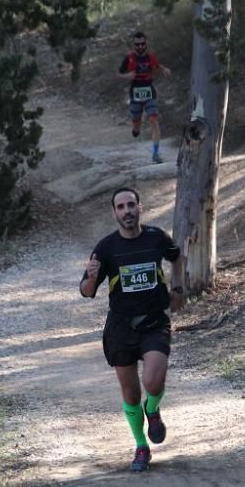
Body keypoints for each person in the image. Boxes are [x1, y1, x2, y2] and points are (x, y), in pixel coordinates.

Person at [80, 187, 185, 472]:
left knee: (153, 383)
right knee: (130, 394)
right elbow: (87, 292)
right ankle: (141, 446)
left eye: (131, 205)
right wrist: (90, 277)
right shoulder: (105, 248)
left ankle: (152, 411)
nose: (126, 211)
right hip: (121, 327)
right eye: (120, 207)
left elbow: (177, 258)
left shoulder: (156, 238)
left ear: (140, 208)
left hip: (154, 321)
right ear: (114, 213)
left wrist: (177, 288)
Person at [118, 31, 171, 164]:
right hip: (135, 93)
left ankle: (156, 153)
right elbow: (118, 74)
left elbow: (157, 66)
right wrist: (127, 76)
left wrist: (164, 69)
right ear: (134, 45)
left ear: (146, 43)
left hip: (149, 92)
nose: (140, 46)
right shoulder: (128, 59)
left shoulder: (151, 57)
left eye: (142, 44)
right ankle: (136, 129)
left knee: (154, 121)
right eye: (137, 44)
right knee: (137, 125)